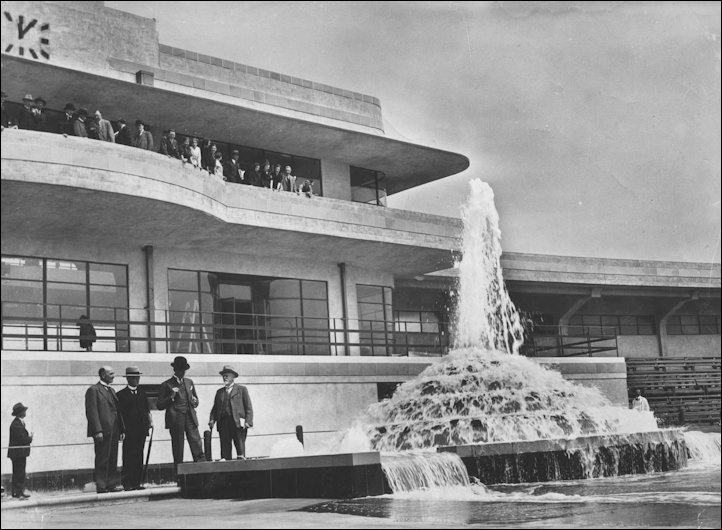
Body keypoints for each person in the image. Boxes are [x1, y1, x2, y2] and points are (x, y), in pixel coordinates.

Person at [156, 356, 204, 465]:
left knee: (197, 444)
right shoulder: (166, 384)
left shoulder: (189, 382)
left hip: (190, 417)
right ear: (175, 370)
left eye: (184, 370)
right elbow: (159, 405)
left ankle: (202, 474)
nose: (183, 372)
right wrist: (171, 396)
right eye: (180, 370)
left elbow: (195, 401)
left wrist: (195, 401)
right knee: (178, 448)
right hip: (176, 419)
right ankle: (179, 476)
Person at [85, 366, 125, 493]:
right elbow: (92, 412)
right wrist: (97, 430)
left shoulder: (112, 390)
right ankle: (101, 486)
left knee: (113, 457)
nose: (113, 376)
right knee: (102, 458)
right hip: (102, 430)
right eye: (111, 373)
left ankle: (111, 484)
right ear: (103, 375)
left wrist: (122, 429)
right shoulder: (93, 390)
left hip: (114, 429)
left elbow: (117, 411)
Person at [116, 366, 152, 491]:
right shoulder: (121, 395)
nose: (136, 380)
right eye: (133, 378)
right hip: (129, 432)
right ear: (128, 379)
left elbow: (146, 410)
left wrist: (149, 422)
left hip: (141, 431)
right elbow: (119, 415)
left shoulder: (142, 393)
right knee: (128, 456)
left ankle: (137, 482)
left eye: (138, 377)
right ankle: (127, 483)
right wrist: (121, 431)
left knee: (139, 456)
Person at [209, 366, 253, 460]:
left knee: (240, 452)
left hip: (237, 424)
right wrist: (212, 419)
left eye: (227, 375)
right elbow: (215, 409)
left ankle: (242, 469)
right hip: (224, 425)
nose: (225, 378)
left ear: (233, 377)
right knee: (225, 453)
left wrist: (248, 421)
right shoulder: (219, 392)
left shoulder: (242, 390)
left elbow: (248, 407)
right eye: (223, 376)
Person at [7, 403, 33, 499]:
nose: (25, 412)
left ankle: (16, 492)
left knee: (18, 472)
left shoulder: (17, 423)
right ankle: (19, 492)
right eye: (24, 410)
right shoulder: (17, 424)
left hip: (18, 453)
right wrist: (30, 438)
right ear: (21, 413)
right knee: (20, 472)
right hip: (18, 453)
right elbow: (21, 439)